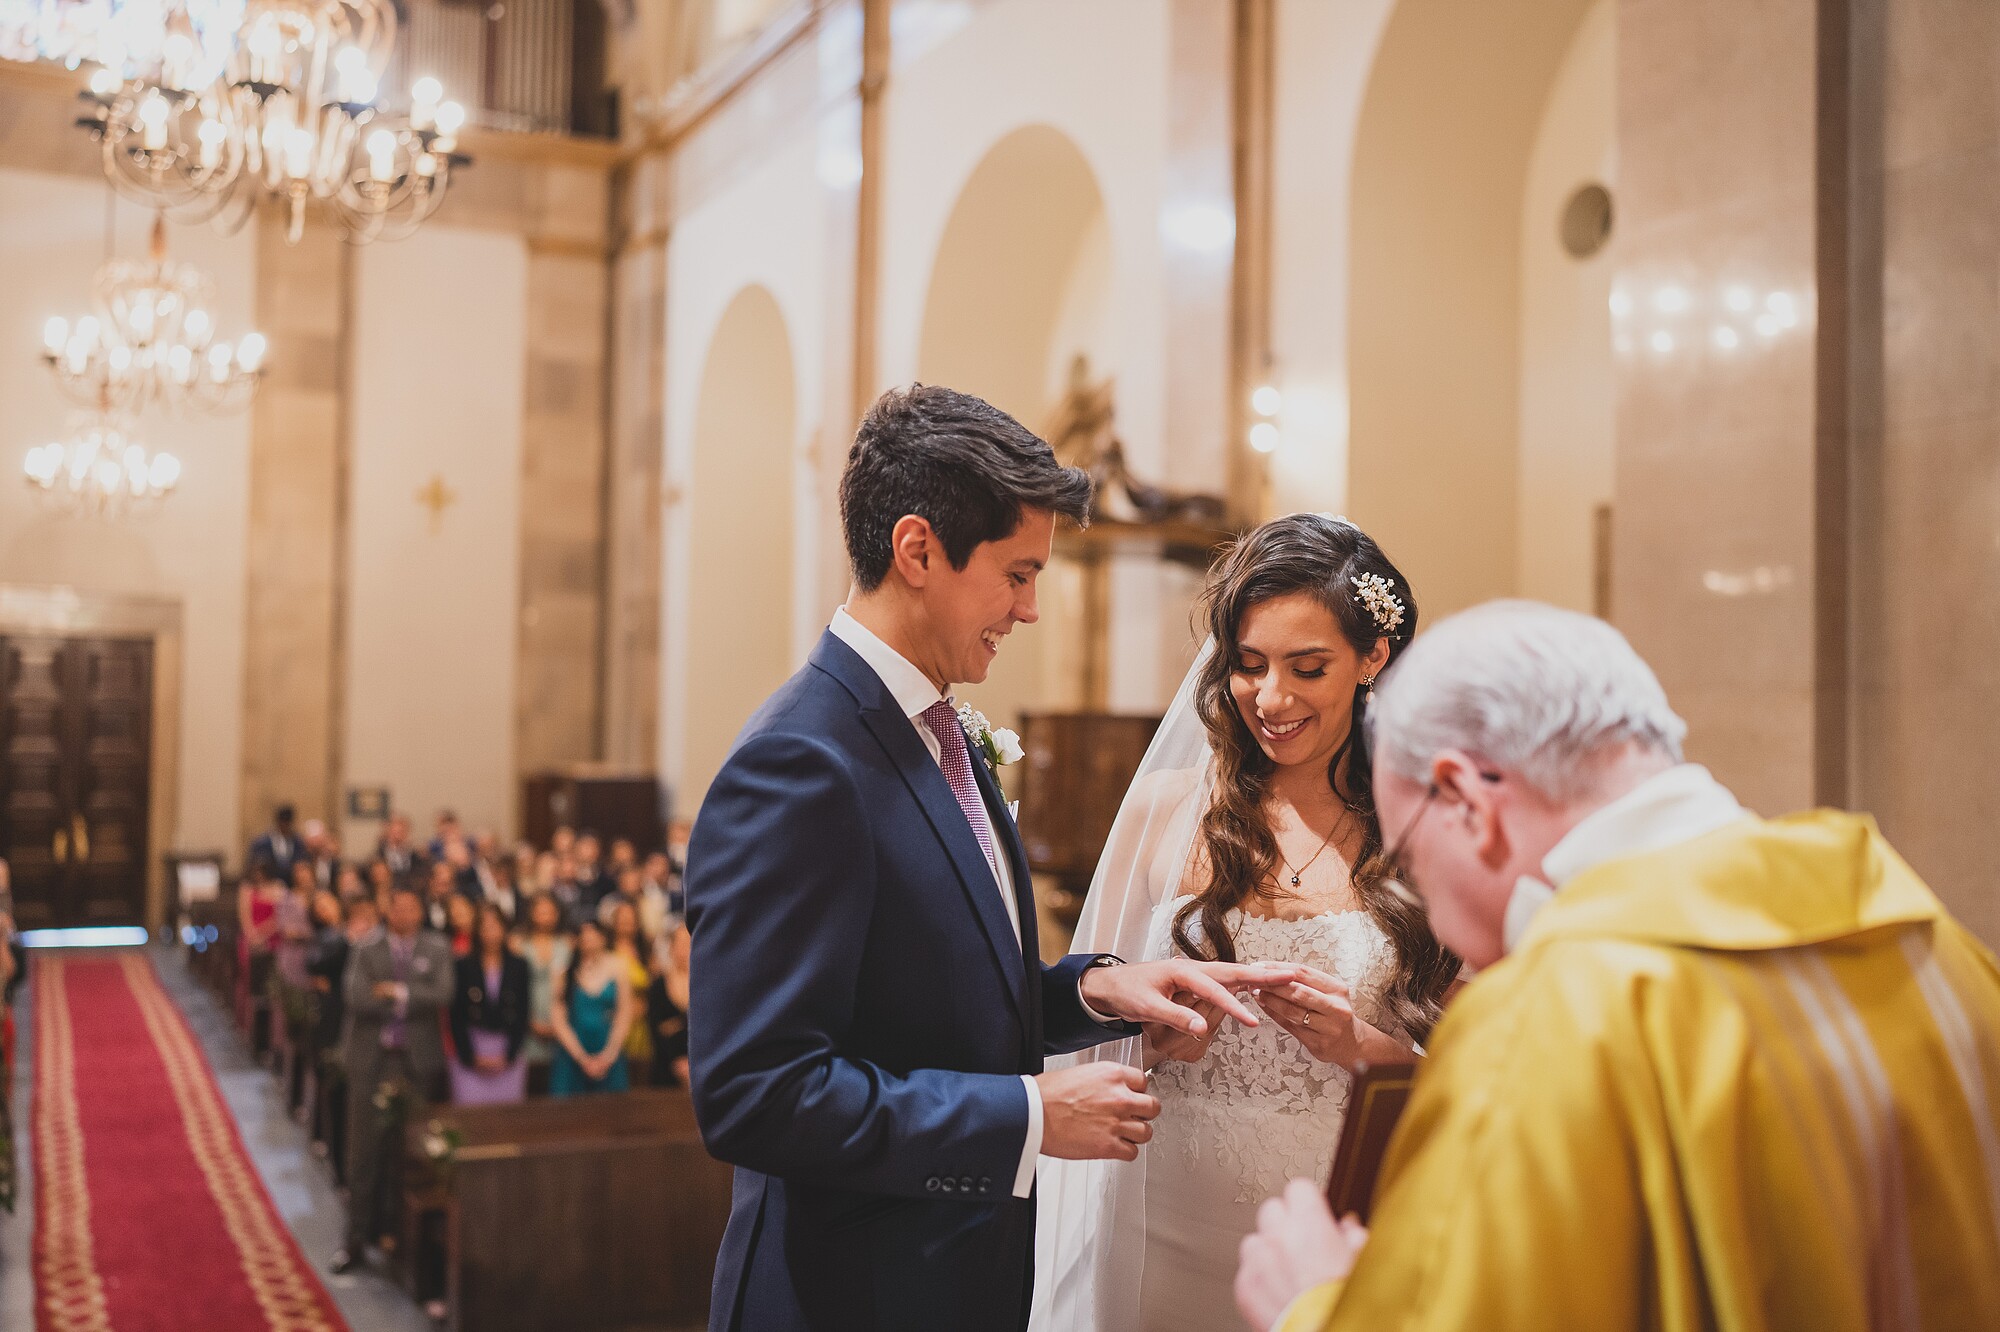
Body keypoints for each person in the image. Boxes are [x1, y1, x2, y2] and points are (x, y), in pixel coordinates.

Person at [686, 384, 1299, 1332]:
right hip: (845, 1296)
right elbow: (758, 1094)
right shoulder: (802, 763)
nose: (1032, 609)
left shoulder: (937, 730)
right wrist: (1028, 1117)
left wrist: (1099, 992)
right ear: (918, 551)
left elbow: (936, 1000)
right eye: (1017, 575)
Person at [1235, 602, 2000, 1332]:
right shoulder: (1933, 945)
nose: (1430, 910)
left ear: (1468, 799)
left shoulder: (1556, 1018)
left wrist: (1316, 1304)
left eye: (1408, 863)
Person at [1030, 516, 1454, 1332]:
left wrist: (1356, 1046)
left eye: (1307, 668)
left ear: (1374, 659)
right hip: (1160, 1208)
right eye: (1249, 666)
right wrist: (1151, 1039)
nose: (1272, 698)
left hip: (1334, 1225)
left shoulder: (1423, 830)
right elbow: (1086, 1015)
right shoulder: (1163, 812)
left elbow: (1479, 1076)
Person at [334, 886, 453, 1274]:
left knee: (407, 1154)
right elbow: (355, 995)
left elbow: (443, 992)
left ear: (421, 910)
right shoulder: (368, 947)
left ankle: (396, 1237)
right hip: (372, 1060)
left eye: (411, 905)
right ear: (389, 910)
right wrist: (402, 999)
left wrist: (396, 991)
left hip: (414, 1062)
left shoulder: (435, 947)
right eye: (397, 906)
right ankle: (354, 1240)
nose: (404, 912)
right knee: (363, 1153)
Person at [449, 902, 530, 1105]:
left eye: (495, 925)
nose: (490, 932)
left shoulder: (518, 965)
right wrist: (470, 1056)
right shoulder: (463, 965)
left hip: (507, 1049)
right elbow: (456, 1014)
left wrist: (509, 1055)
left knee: (507, 1118)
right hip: (472, 1049)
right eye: (485, 926)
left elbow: (523, 1011)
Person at [549, 919, 634, 1097]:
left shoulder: (618, 966)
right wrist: (582, 1058)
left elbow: (624, 1013)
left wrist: (609, 1055)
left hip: (608, 1048)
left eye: (593, 933)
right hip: (573, 1051)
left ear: (602, 937)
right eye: (583, 934)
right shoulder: (564, 971)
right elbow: (558, 1019)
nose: (588, 938)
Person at [517, 891, 573, 1095]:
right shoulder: (519, 944)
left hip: (562, 1021)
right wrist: (529, 1021)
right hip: (529, 1021)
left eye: (550, 912)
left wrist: (560, 1023)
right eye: (540, 912)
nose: (545, 916)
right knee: (531, 1084)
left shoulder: (568, 943)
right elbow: (515, 988)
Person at [646, 922, 691, 1088]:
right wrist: (676, 1062)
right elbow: (656, 1028)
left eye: (688, 944)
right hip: (665, 1067)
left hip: (701, 1065)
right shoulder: (658, 985)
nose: (683, 950)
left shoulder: (706, 985)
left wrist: (674, 1025)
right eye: (679, 944)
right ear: (671, 947)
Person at [248, 804, 306, 883]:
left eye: (287, 823)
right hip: (269, 883)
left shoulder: (298, 843)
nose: (285, 826)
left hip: (291, 883)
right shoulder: (262, 843)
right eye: (283, 823)